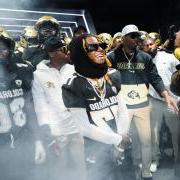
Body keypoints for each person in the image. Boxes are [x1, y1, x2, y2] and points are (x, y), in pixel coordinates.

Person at [32, 36, 127, 180]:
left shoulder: (75, 69)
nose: (68, 53)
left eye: (68, 49)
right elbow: (40, 105)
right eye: (63, 50)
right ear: (51, 53)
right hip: (57, 130)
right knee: (60, 168)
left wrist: (117, 138)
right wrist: (46, 132)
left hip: (81, 129)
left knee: (84, 169)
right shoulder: (39, 74)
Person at [108, 24, 179, 180]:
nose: (137, 39)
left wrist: (166, 95)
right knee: (122, 139)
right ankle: (125, 168)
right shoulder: (112, 57)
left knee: (146, 139)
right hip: (123, 106)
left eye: (138, 36)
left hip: (142, 104)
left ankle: (146, 170)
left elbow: (154, 77)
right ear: (124, 38)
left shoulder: (145, 57)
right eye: (132, 36)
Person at [62, 34, 131, 180]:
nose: (101, 49)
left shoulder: (113, 74)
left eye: (102, 46)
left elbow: (122, 109)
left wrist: (121, 142)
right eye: (93, 47)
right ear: (79, 53)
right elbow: (84, 127)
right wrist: (116, 141)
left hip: (121, 140)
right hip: (97, 147)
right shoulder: (72, 85)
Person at [0, 27, 45, 180]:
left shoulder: (23, 70)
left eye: (3, 47)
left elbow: (31, 109)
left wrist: (38, 141)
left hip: (25, 142)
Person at [143, 36, 180, 172]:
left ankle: (177, 160)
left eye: (151, 44)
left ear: (156, 44)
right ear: (142, 47)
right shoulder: (142, 60)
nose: (149, 47)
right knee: (154, 133)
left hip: (173, 100)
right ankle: (155, 160)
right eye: (146, 45)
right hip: (154, 100)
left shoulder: (168, 57)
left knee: (176, 133)